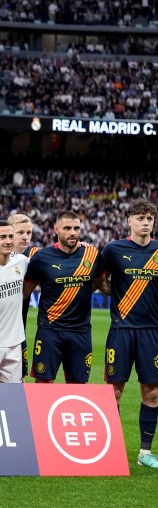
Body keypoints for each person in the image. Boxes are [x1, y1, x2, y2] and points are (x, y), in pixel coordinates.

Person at [99, 198, 158, 468]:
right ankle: (112, 449)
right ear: (129, 221)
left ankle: (145, 453)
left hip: (152, 332)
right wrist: (111, 291)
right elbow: (97, 278)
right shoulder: (113, 249)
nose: (146, 223)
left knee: (152, 392)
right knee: (114, 391)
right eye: (141, 218)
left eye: (150, 218)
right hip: (122, 329)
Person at [22, 211, 104, 384]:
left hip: (81, 331)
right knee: (43, 384)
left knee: (78, 386)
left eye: (76, 228)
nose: (73, 232)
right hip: (50, 330)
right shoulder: (42, 258)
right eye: (67, 228)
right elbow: (24, 292)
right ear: (56, 229)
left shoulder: (92, 255)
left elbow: (100, 284)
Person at [0, 213, 39, 378]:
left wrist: (81, 247)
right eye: (19, 233)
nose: (25, 237)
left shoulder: (26, 259)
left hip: (16, 336)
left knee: (17, 388)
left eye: (28, 233)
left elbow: (57, 257)